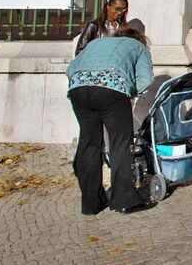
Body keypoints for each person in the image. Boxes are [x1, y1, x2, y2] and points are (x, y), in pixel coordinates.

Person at [66, 25, 154, 215]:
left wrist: (84, 82)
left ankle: (91, 203)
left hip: (78, 89)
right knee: (120, 144)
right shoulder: (138, 47)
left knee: (89, 143)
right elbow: (146, 80)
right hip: (112, 89)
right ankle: (124, 200)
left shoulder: (95, 43)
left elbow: (70, 69)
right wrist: (130, 90)